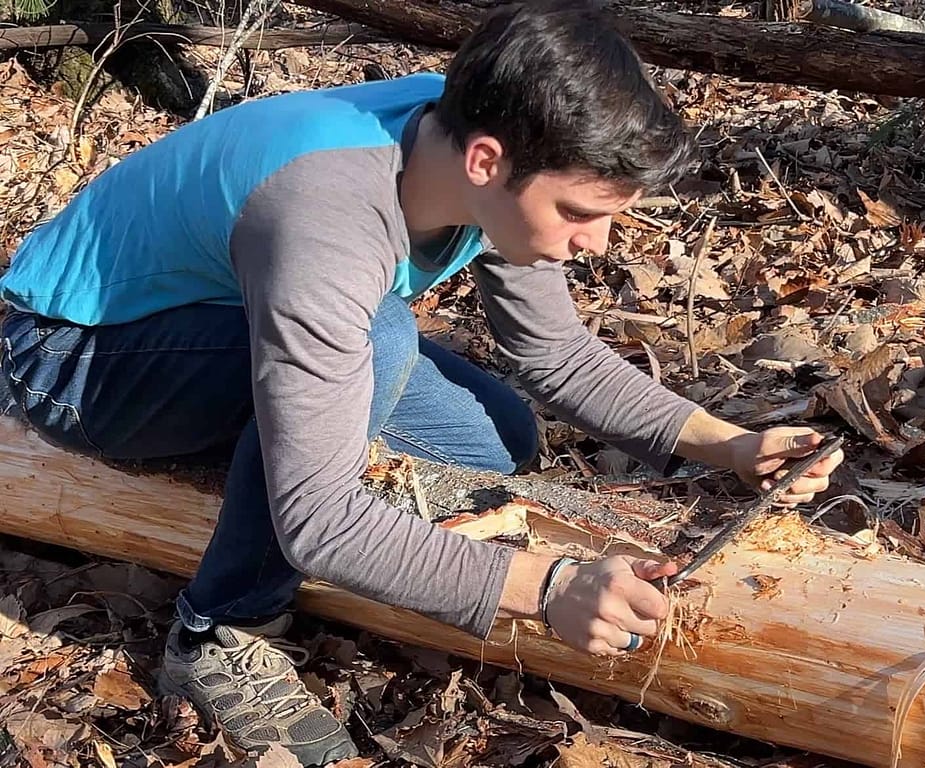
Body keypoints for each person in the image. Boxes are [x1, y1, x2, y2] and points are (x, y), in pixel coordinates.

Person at [0, 1, 844, 764]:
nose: (599, 243)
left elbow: (555, 350)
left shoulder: (489, 142)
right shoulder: (328, 208)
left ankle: (313, 472)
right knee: (377, 338)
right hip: (70, 358)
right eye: (583, 213)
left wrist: (728, 444)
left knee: (495, 443)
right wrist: (540, 588)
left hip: (221, 330)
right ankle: (221, 630)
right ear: (486, 161)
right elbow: (317, 524)